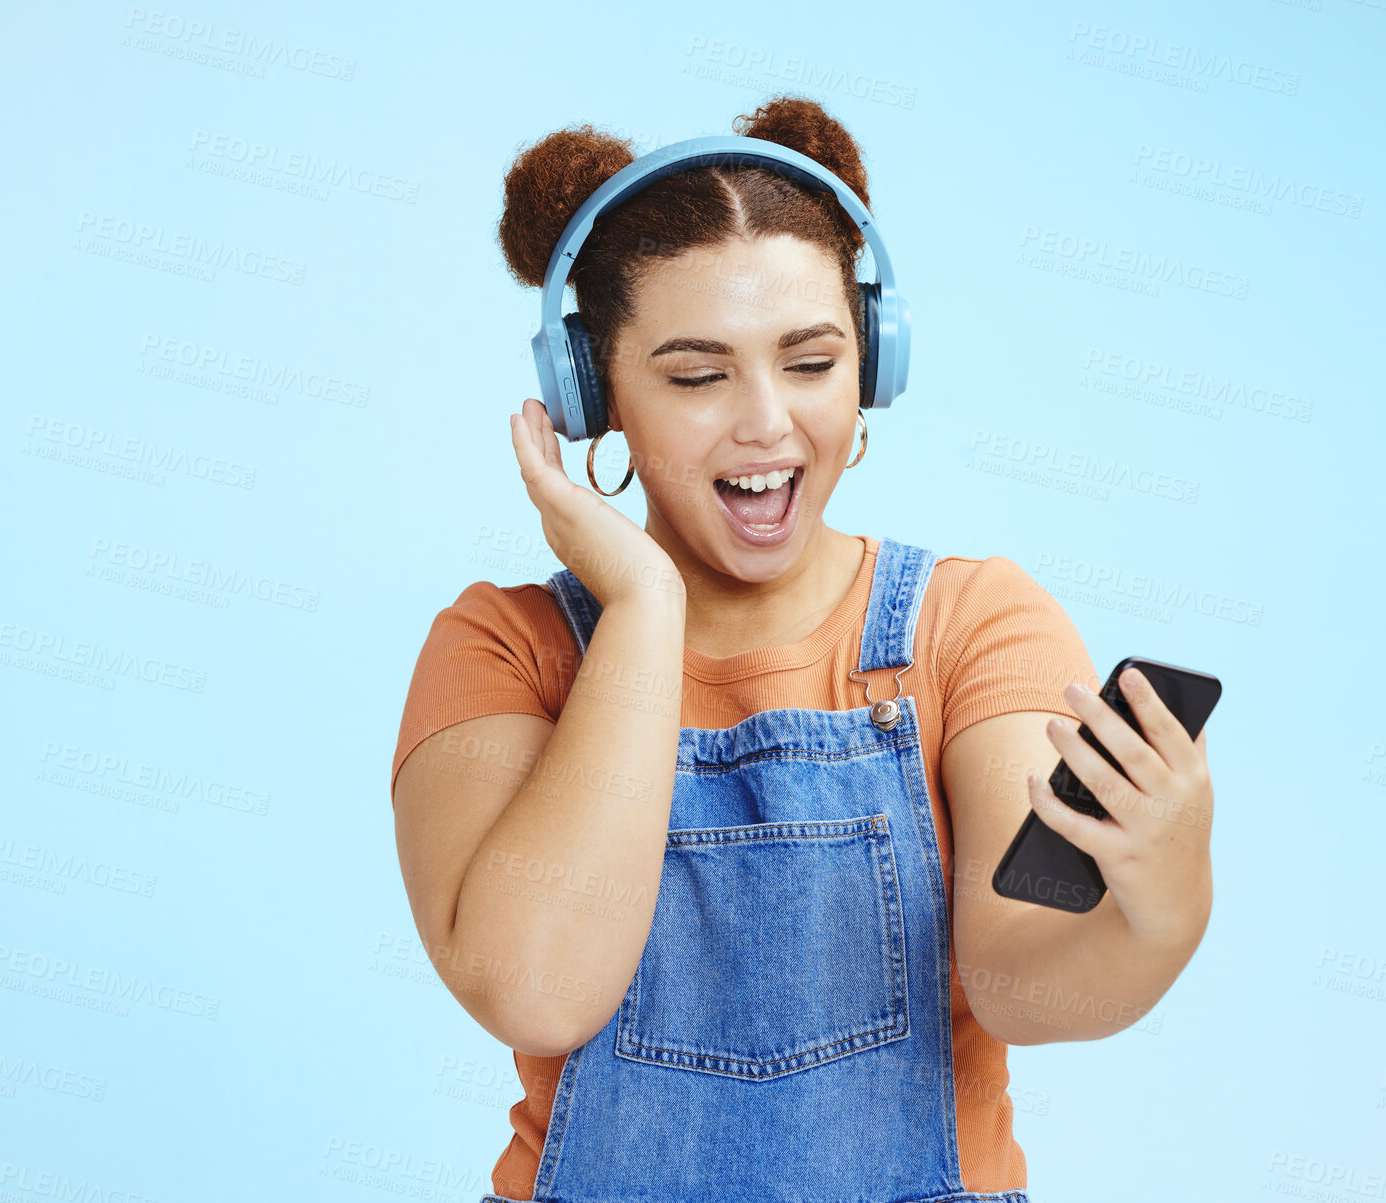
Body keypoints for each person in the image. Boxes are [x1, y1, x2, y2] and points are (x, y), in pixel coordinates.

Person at [390, 95, 1215, 1203]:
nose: (768, 422)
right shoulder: (505, 649)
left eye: (811, 363)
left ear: (872, 367)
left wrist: (1168, 893)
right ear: (595, 395)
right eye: (696, 376)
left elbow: (1024, 987)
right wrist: (639, 608)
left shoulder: (971, 627)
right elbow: (537, 990)